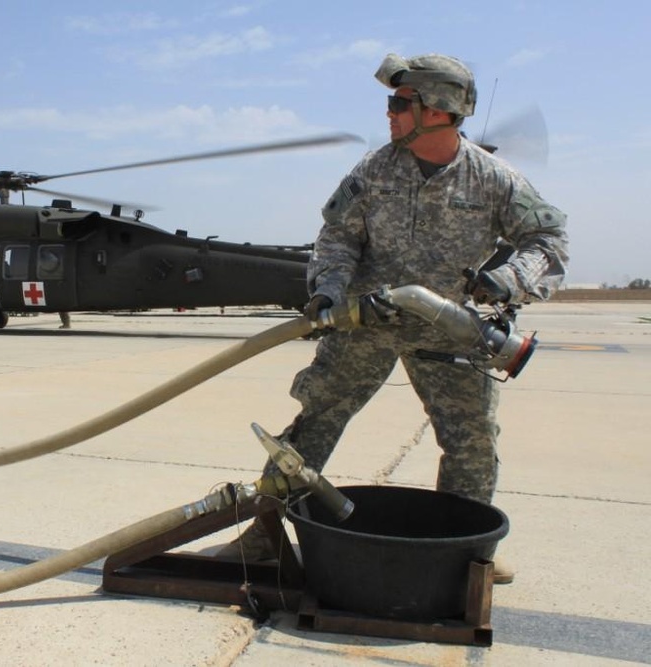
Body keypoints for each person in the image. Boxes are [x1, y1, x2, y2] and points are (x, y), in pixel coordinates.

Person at [219, 53, 568, 584]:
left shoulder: (493, 179)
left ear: (439, 108)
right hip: (366, 322)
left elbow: (547, 240)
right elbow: (337, 238)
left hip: (448, 326)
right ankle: (265, 533)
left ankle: (469, 554)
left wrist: (507, 281)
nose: (389, 114)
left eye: (400, 103)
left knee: (471, 438)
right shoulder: (373, 171)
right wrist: (329, 292)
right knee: (317, 420)